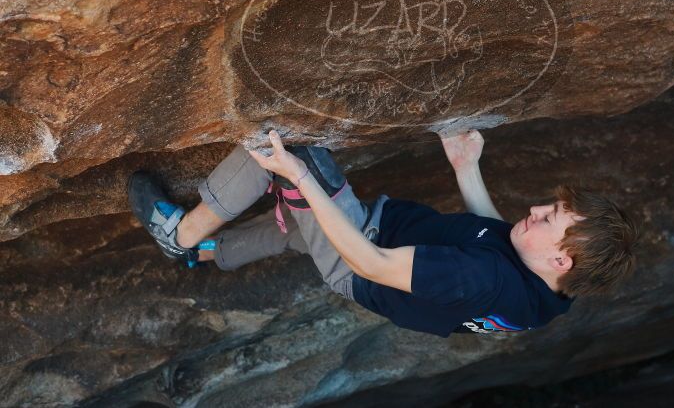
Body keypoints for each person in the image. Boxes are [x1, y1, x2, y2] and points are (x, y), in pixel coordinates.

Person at [128, 129, 638, 337]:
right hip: (384, 242)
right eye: (550, 206)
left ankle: (181, 236)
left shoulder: (477, 280)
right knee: (295, 230)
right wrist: (466, 168)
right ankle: (213, 253)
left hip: (363, 260)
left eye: (549, 217)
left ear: (561, 260)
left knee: (286, 152)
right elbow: (498, 237)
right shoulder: (550, 294)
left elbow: (368, 262)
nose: (535, 209)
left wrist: (301, 179)